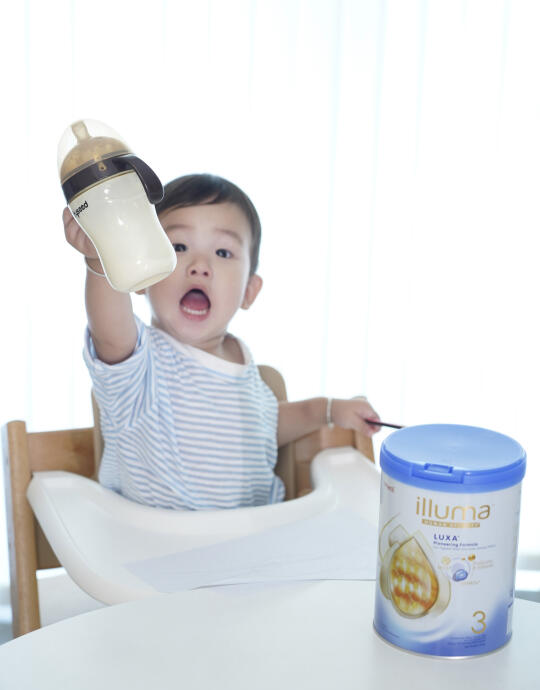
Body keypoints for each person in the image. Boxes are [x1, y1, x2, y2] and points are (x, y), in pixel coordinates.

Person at [63, 173, 381, 510]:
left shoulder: (243, 364)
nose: (200, 266)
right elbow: (109, 331)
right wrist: (101, 262)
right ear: (142, 273)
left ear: (249, 291)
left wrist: (329, 410)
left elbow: (263, 427)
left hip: (252, 538)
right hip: (160, 540)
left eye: (223, 252)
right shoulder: (138, 364)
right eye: (178, 247)